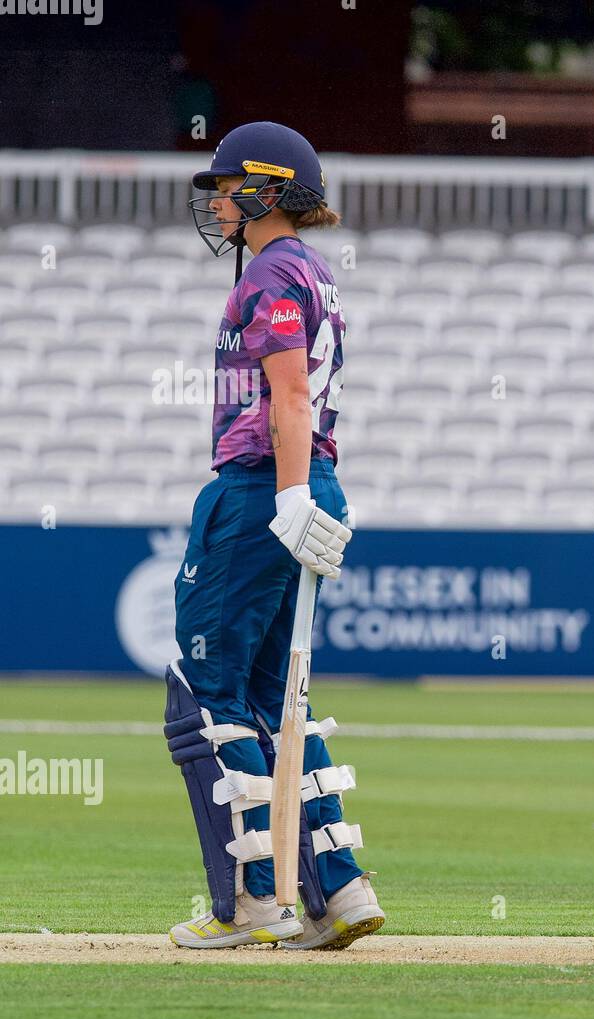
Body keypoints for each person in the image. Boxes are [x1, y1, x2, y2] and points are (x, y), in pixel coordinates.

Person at [164, 121, 385, 950]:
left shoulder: (272, 273)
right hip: (298, 478)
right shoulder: (310, 270)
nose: (216, 201)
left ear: (264, 189)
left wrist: (288, 492)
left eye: (226, 186)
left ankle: (252, 902)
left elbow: (288, 395)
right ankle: (339, 890)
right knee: (273, 699)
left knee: (207, 690)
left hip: (263, 483)